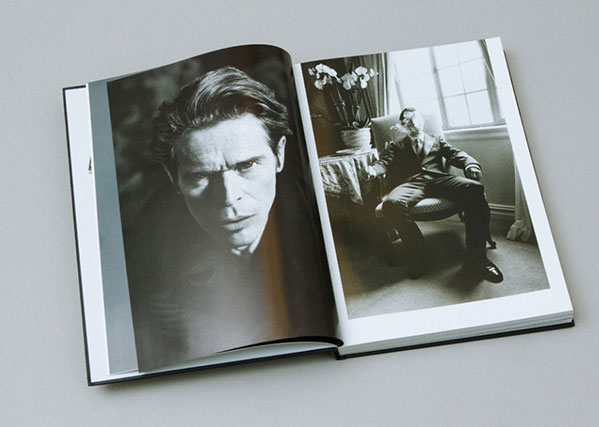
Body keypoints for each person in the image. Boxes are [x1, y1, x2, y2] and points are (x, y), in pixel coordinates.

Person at [124, 66, 334, 371]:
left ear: (279, 155)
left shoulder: (323, 209)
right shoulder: (147, 259)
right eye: (201, 176)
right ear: (173, 178)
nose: (227, 197)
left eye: (247, 165)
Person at [364, 107, 503, 283]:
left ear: (422, 121)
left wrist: (471, 164)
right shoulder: (396, 145)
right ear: (403, 126)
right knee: (391, 203)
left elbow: (455, 154)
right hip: (411, 183)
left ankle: (478, 259)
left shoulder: (436, 140)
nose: (412, 123)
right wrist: (373, 171)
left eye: (415, 118)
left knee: (474, 189)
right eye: (407, 120)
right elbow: (384, 162)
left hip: (438, 180)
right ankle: (418, 253)